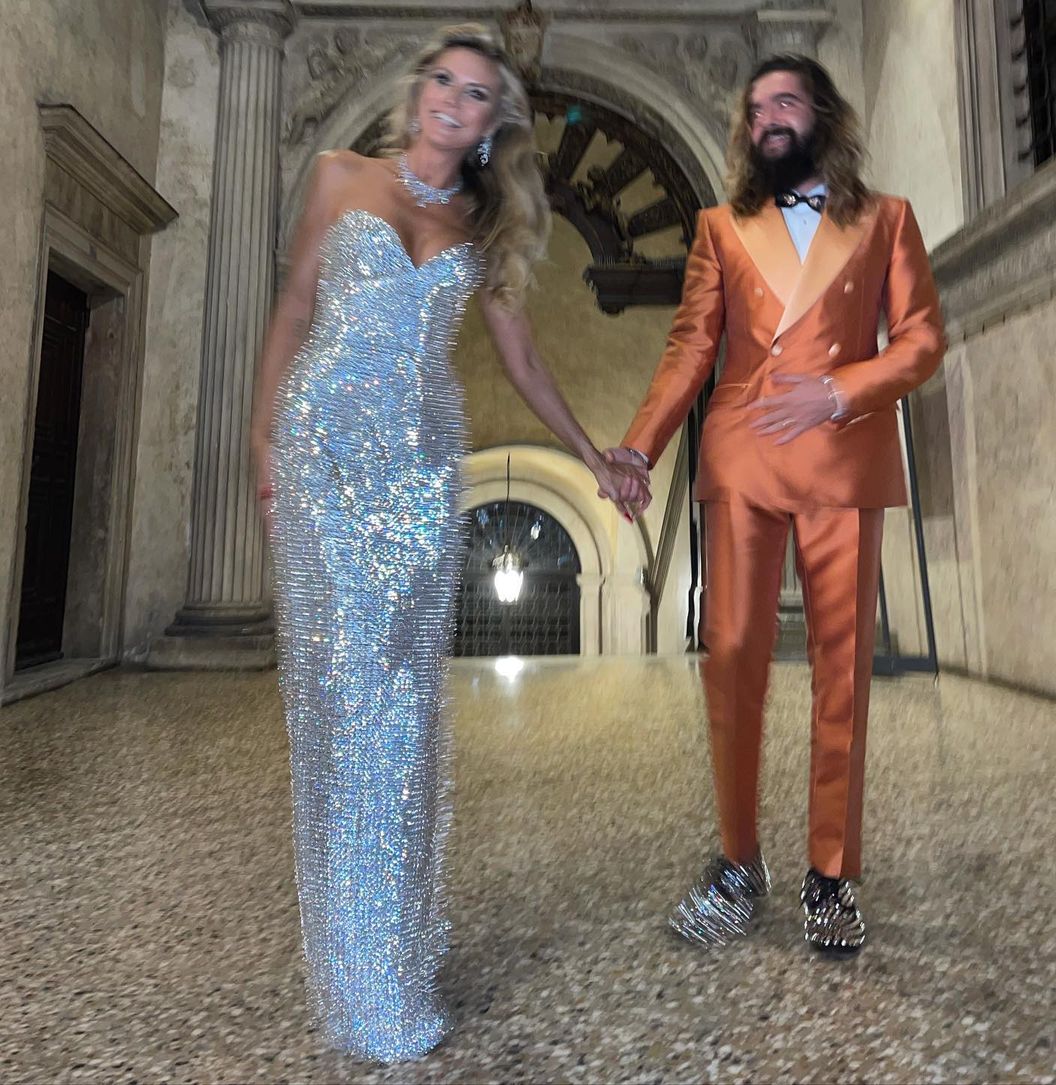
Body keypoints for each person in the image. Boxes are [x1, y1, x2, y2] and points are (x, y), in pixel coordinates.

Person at [249, 25, 649, 1063]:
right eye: (443, 80)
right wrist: (261, 437)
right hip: (325, 450)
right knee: (342, 700)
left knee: (399, 710)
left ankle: (387, 956)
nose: (451, 101)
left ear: (490, 124)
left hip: (422, 470)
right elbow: (295, 307)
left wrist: (594, 455)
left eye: (476, 94)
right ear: (418, 89)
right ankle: (360, 970)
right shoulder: (338, 176)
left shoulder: (486, 222)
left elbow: (523, 359)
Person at [605, 54, 945, 954]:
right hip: (745, 454)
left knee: (843, 665)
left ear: (823, 115)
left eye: (786, 102)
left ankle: (830, 875)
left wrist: (837, 391)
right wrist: (639, 444)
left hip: (843, 452)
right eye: (756, 111)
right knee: (730, 657)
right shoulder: (721, 227)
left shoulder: (886, 219)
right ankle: (736, 862)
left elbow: (921, 341)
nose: (769, 120)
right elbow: (690, 348)